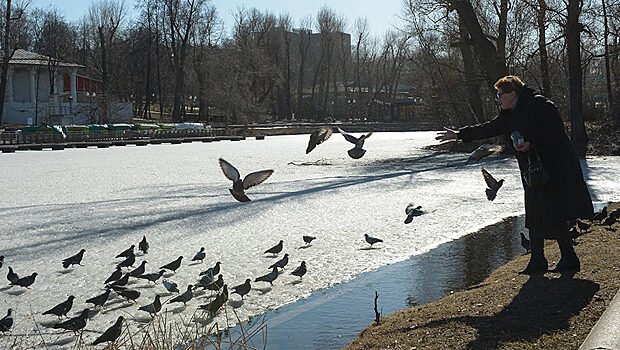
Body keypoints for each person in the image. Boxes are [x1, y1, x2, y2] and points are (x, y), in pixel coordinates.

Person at [436, 75, 593, 274]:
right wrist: (459, 134)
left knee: (552, 212)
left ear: (513, 94)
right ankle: (539, 260)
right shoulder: (508, 113)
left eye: (501, 95)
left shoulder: (540, 105)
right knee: (535, 213)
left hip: (554, 168)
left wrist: (532, 144)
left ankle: (568, 259)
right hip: (532, 170)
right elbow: (489, 128)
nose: (498, 99)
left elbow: (555, 132)